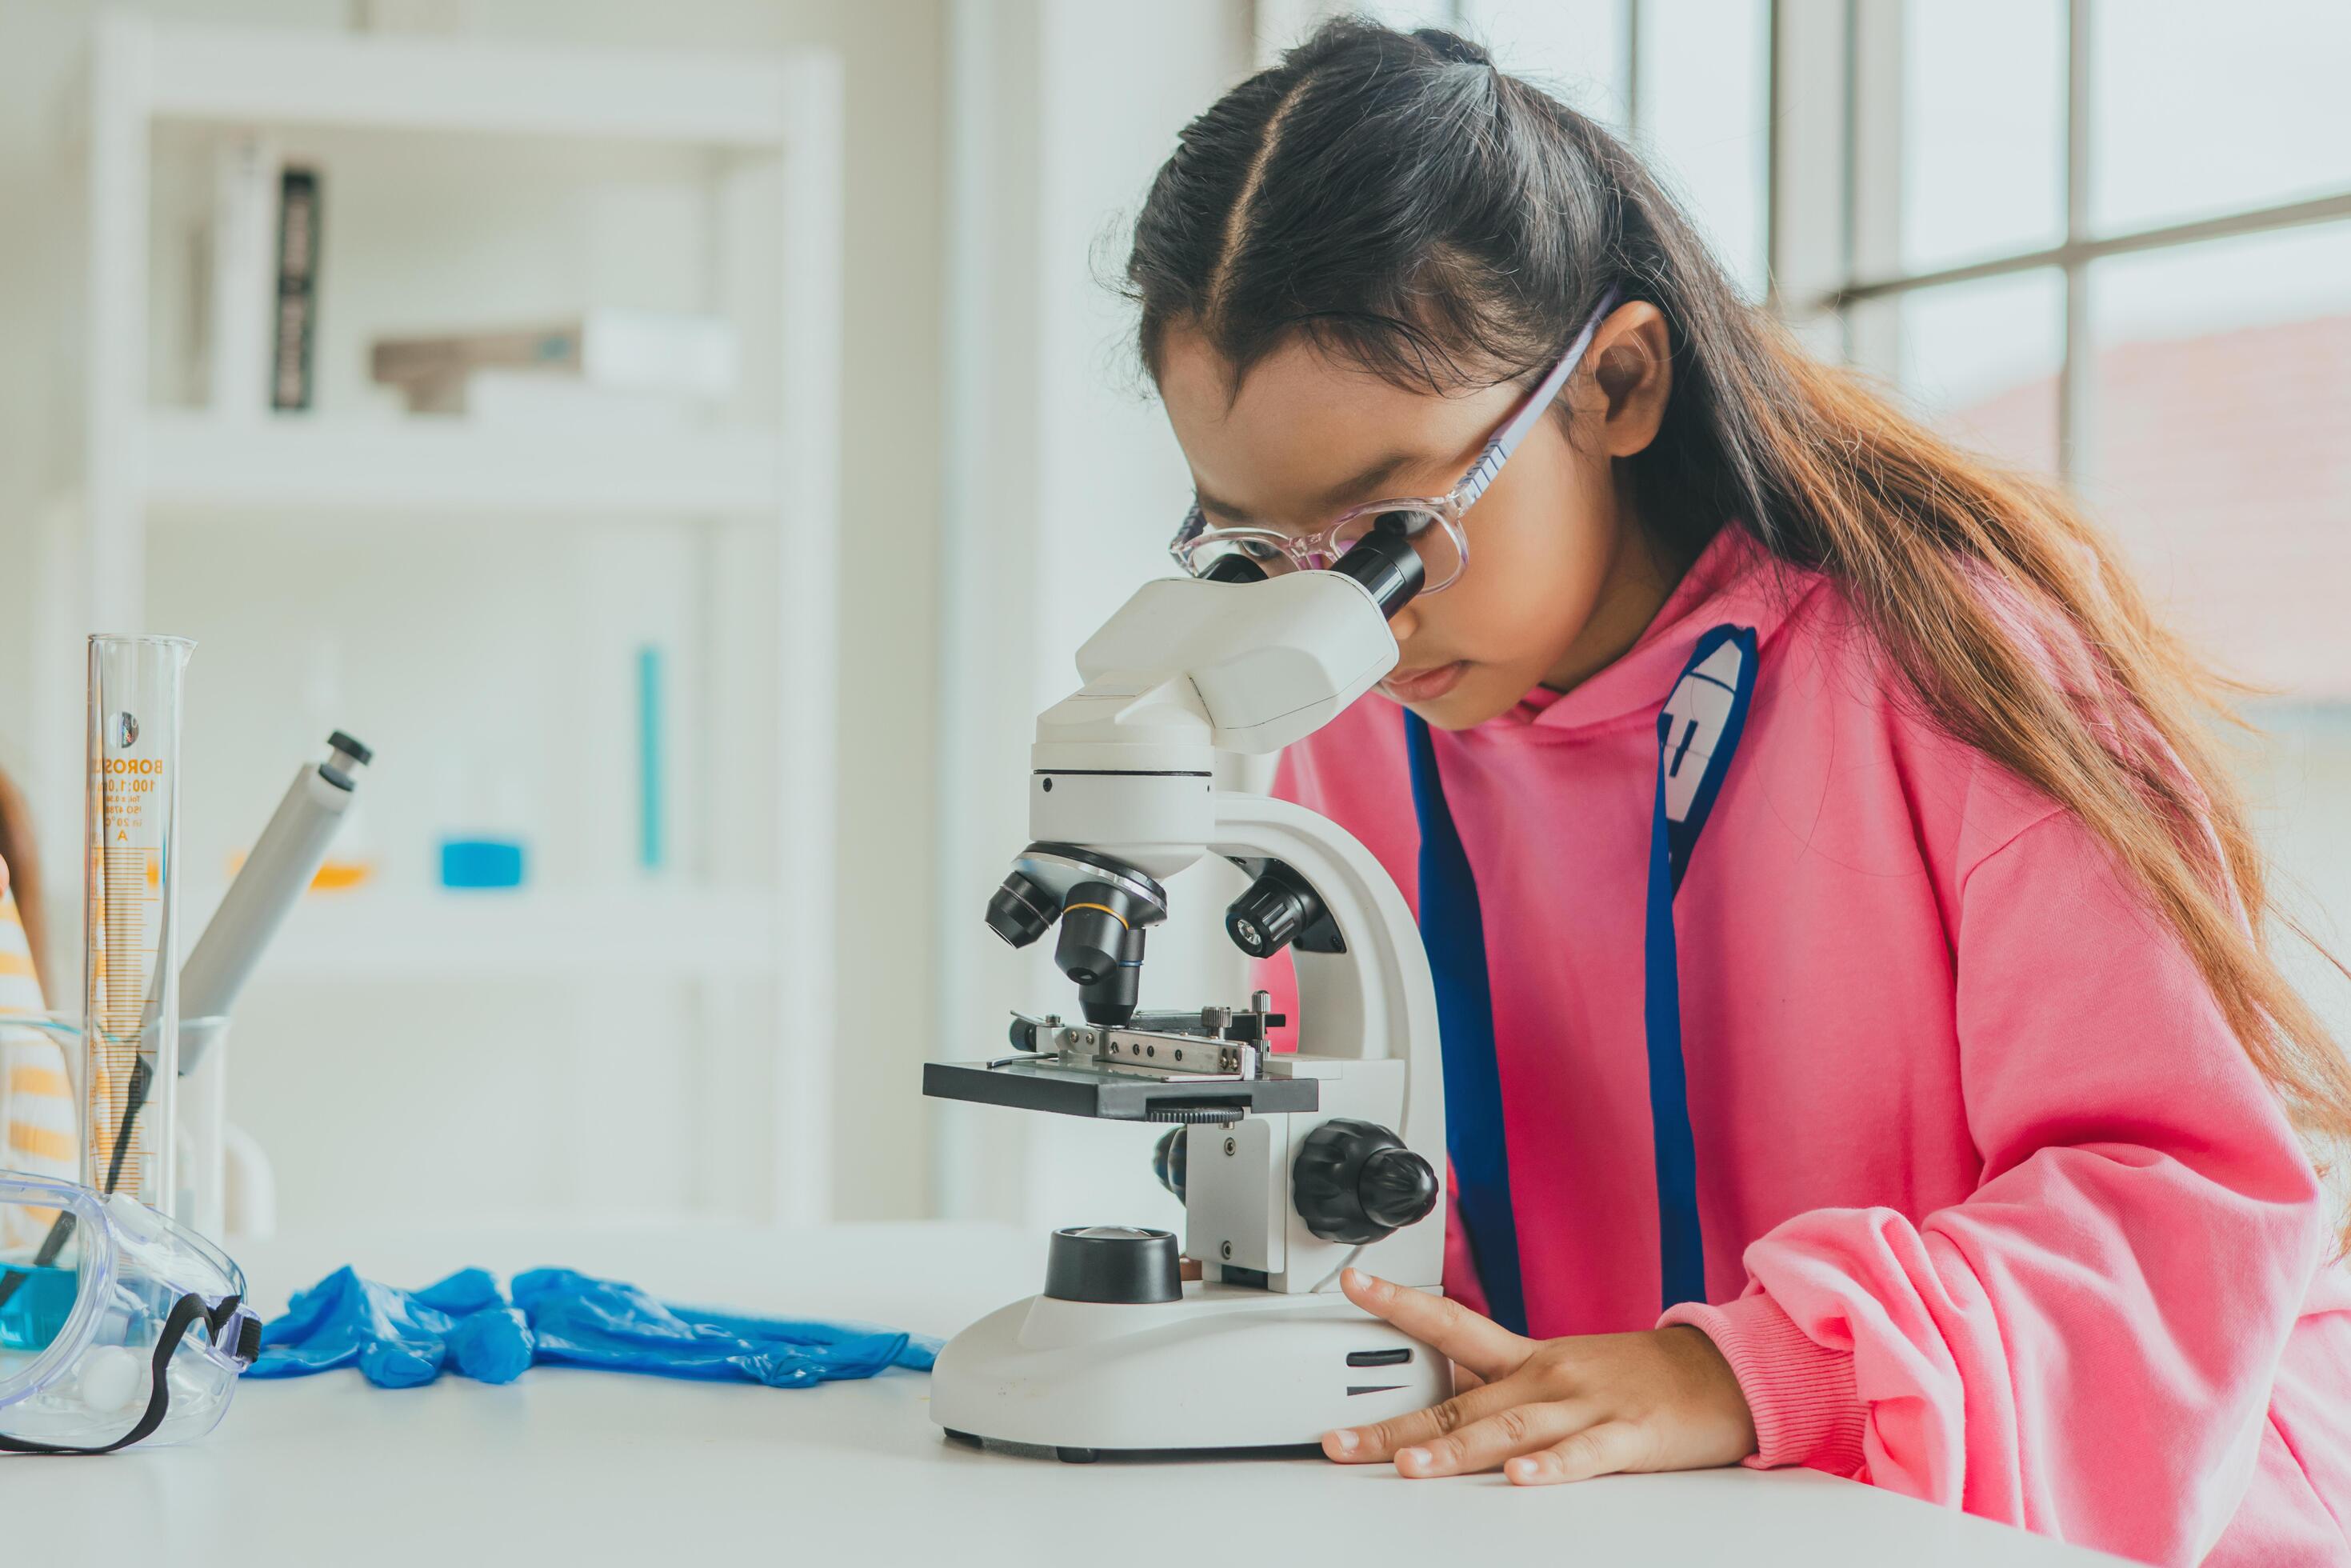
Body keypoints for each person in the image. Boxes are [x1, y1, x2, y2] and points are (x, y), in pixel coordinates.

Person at [1125, 19, 2351, 1565]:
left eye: (1385, 528)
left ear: (1617, 383)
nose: (1349, 617)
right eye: (1263, 550)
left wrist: (1755, 1366)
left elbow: (2191, 1211)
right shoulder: (1363, 714)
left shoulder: (1948, 666)